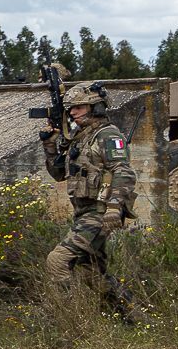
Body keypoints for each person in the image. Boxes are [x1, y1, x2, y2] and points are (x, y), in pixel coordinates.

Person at [42, 81, 138, 315]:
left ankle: (68, 318)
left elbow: (124, 172)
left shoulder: (107, 135)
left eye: (79, 107)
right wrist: (50, 145)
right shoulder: (79, 137)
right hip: (83, 212)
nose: (73, 112)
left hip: (99, 212)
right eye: (71, 108)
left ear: (96, 107)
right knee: (91, 273)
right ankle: (133, 317)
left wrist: (114, 207)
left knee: (57, 261)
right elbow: (58, 174)